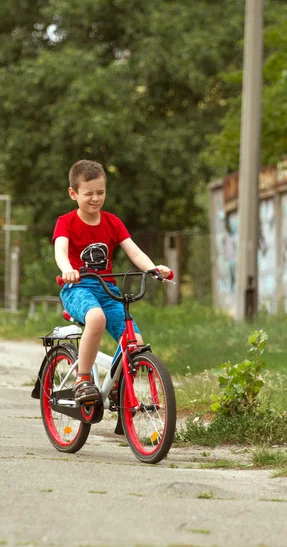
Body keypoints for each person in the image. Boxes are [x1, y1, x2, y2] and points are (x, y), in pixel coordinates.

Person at [52, 159, 171, 405]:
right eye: (88, 193)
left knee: (134, 342)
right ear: (73, 194)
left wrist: (153, 268)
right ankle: (83, 379)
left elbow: (134, 252)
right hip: (77, 287)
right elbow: (60, 252)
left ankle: (117, 385)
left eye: (101, 192)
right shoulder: (66, 222)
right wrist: (68, 270)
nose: (95, 198)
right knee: (96, 318)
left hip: (108, 290)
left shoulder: (113, 222)